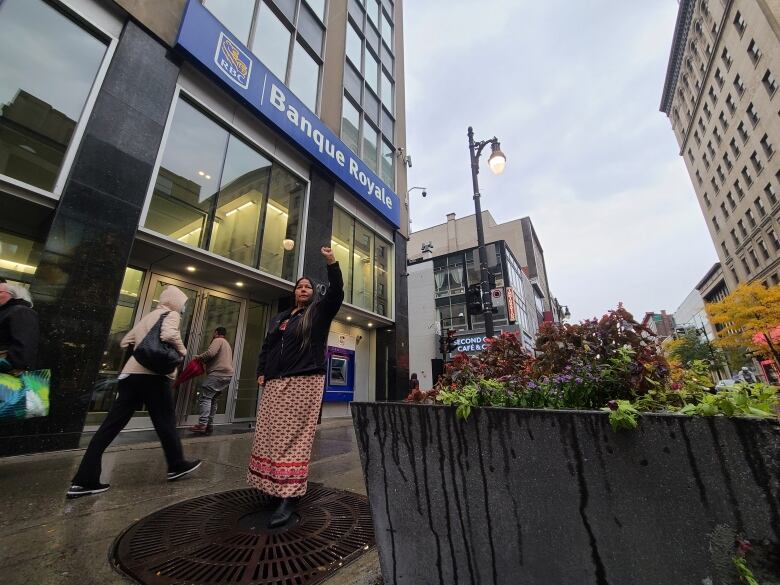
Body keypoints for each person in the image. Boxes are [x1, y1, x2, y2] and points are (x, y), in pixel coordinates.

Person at [67, 285, 202, 498]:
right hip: (154, 377)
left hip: (131, 376)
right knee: (165, 421)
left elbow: (125, 341)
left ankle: (83, 480)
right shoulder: (171, 314)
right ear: (175, 302)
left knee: (110, 427)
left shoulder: (149, 317)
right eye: (183, 303)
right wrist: (183, 351)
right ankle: (177, 464)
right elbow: (168, 335)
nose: (183, 308)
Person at [248, 246, 343, 528]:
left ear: (313, 293)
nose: (303, 290)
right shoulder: (281, 317)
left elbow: (336, 292)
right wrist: (262, 372)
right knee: (269, 435)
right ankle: (273, 487)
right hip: (276, 383)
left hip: (305, 381)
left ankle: (289, 497)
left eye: (307, 287)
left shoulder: (318, 314)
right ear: (294, 292)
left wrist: (331, 263)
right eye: (299, 287)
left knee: (294, 439)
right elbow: (267, 346)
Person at [189, 326, 234, 435]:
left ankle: (202, 425)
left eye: (214, 333)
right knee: (213, 400)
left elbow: (210, 353)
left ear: (216, 333)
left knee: (206, 398)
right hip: (227, 376)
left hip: (217, 374)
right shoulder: (227, 344)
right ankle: (209, 425)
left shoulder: (218, 340)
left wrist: (198, 357)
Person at [0, 283, 39, 374]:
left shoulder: (21, 311)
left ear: (13, 294)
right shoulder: (6, 311)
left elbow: (25, 344)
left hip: (8, 373)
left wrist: (10, 363)